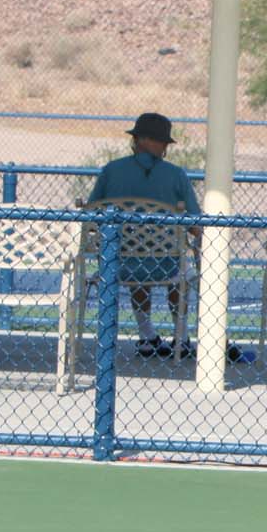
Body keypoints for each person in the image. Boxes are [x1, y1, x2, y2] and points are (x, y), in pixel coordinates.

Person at [85, 112, 200, 359]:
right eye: (162, 142)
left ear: (137, 140)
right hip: (166, 263)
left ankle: (146, 335)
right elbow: (195, 224)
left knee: (136, 260)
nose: (165, 148)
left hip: (117, 264)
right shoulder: (176, 174)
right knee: (181, 269)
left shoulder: (110, 171)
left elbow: (91, 216)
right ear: (148, 141)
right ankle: (181, 336)